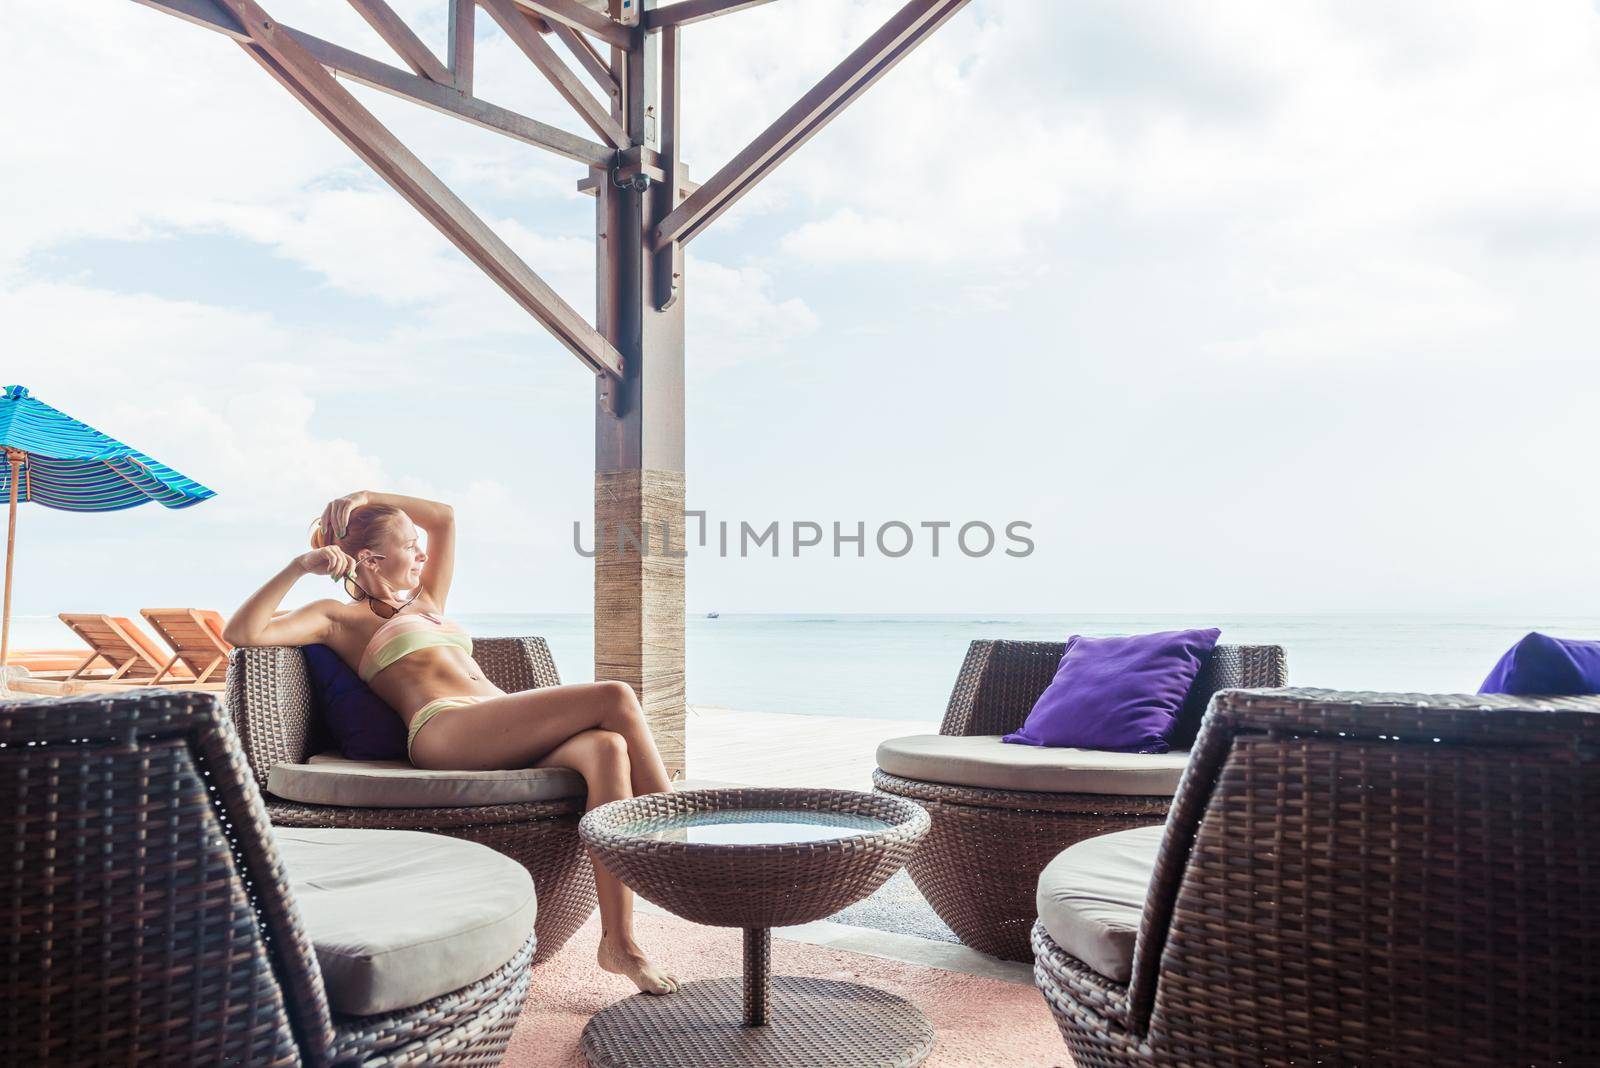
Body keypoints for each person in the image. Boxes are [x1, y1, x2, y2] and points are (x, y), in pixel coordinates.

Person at [223, 490, 680, 995]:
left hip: (494, 721)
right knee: (614, 695)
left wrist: (368, 496)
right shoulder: (337, 616)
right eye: (409, 545)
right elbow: (241, 631)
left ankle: (620, 943)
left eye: (419, 546)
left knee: (608, 748)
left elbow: (444, 518)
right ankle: (677, 835)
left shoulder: (426, 601)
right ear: (372, 559)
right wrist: (299, 566)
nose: (421, 553)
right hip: (445, 730)